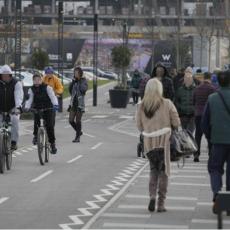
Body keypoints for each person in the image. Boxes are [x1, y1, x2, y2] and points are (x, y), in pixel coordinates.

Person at [136, 78, 180, 213]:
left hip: (149, 145)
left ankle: (152, 196)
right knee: (164, 173)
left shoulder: (142, 106)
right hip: (164, 143)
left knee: (153, 171)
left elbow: (139, 126)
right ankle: (161, 204)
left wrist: (149, 129)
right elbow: (176, 122)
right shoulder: (167, 103)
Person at [202, 70, 230, 214]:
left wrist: (210, 137)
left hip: (217, 141)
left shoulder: (212, 98)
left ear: (218, 81)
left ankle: (217, 195)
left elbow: (204, 123)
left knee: (215, 169)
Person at [25, 74, 59, 154]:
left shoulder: (47, 87)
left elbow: (53, 97)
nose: (37, 81)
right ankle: (36, 136)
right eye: (35, 80)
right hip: (38, 108)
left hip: (48, 108)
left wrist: (56, 105)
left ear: (41, 80)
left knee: (50, 126)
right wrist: (27, 107)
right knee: (36, 121)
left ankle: (52, 144)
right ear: (33, 81)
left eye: (38, 79)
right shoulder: (32, 89)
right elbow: (30, 99)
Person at [31, 66, 63, 145]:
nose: (49, 74)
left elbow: (60, 88)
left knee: (51, 121)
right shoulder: (43, 79)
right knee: (37, 119)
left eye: (50, 73)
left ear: (52, 73)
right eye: (47, 73)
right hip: (43, 100)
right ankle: (36, 135)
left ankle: (50, 133)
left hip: (52, 99)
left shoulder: (56, 79)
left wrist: (57, 93)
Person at [193, 72, 216, 162]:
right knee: (209, 135)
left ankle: (196, 154)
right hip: (209, 115)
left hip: (198, 114)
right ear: (210, 78)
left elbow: (193, 101)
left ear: (203, 78)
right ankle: (211, 154)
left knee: (198, 135)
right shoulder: (212, 89)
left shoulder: (197, 88)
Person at [0, 65, 24, 150]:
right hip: (1, 108)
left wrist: (18, 107)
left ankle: (13, 142)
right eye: (3, 75)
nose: (5, 77)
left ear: (10, 75)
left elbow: (18, 96)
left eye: (7, 75)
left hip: (12, 108)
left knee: (15, 120)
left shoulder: (16, 83)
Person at [68, 67, 88, 143]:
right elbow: (70, 91)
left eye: (76, 73)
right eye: (74, 73)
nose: (75, 74)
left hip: (80, 104)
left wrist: (79, 82)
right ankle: (79, 132)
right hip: (73, 103)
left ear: (80, 73)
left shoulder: (83, 81)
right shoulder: (74, 81)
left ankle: (77, 137)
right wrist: (73, 82)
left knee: (78, 121)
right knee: (71, 120)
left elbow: (83, 90)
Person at [175, 67, 196, 133]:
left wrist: (194, 109)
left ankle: (190, 143)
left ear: (192, 79)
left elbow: (198, 101)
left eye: (189, 78)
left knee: (190, 132)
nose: (188, 80)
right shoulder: (180, 90)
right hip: (183, 115)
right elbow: (176, 101)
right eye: (186, 78)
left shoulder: (196, 89)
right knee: (184, 132)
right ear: (184, 79)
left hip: (192, 115)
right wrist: (180, 107)